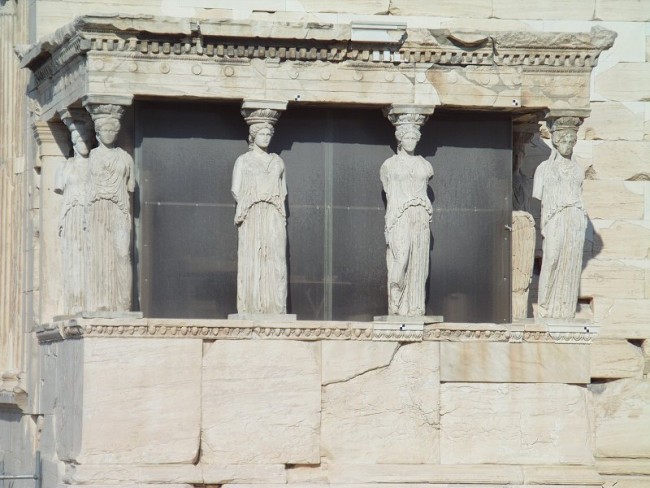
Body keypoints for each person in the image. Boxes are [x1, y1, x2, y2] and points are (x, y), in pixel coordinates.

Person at [533, 117, 586, 319]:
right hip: (554, 218)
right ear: (555, 141)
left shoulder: (578, 170)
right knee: (552, 258)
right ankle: (545, 304)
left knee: (571, 260)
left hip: (575, 218)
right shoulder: (543, 169)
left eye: (571, 141)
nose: (568, 145)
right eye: (564, 140)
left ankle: (566, 307)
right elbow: (538, 196)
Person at [232, 121, 287, 314]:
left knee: (275, 258)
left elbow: (283, 191)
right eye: (262, 134)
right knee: (252, 257)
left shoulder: (278, 162)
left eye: (268, 134)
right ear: (253, 136)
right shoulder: (243, 161)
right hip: (252, 213)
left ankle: (275, 307)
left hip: (273, 213)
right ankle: (250, 306)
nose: (266, 137)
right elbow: (236, 189)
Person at [380, 122, 433, 316]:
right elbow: (388, 189)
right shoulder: (389, 165)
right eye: (407, 137)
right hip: (399, 215)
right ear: (400, 139)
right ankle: (396, 302)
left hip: (420, 214)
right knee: (401, 259)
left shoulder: (425, 165)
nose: (410, 141)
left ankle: (414, 307)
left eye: (414, 138)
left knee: (418, 263)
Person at [86, 104, 135, 312]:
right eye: (104, 129)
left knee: (122, 254)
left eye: (112, 130)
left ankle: (124, 303)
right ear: (97, 133)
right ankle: (100, 302)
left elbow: (131, 186)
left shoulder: (126, 157)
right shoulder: (91, 157)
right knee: (99, 254)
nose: (108, 133)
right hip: (97, 208)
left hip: (120, 208)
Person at [55, 116, 91, 315]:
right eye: (79, 139)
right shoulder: (65, 167)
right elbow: (61, 191)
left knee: (88, 257)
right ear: (74, 142)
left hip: (90, 216)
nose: (83, 143)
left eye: (86, 139)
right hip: (71, 215)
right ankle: (73, 302)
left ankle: (87, 302)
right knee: (73, 257)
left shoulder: (94, 164)